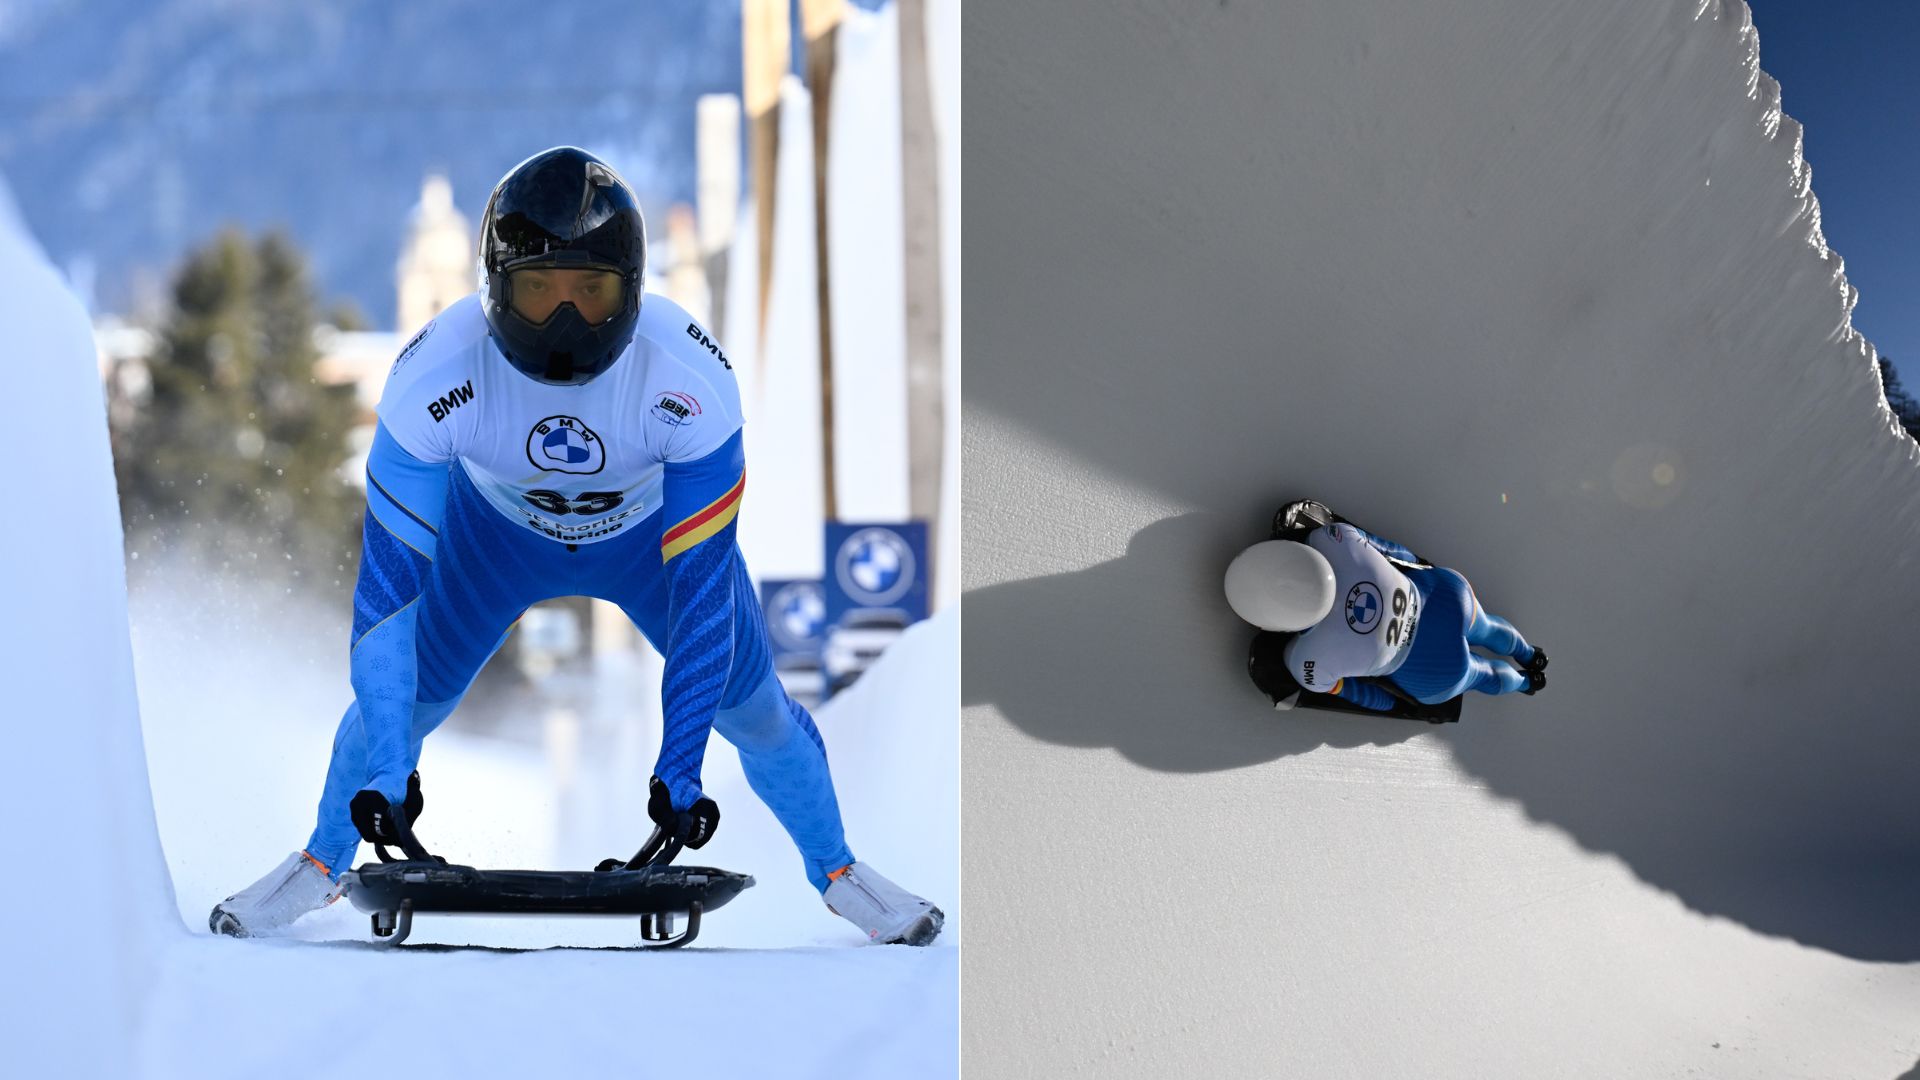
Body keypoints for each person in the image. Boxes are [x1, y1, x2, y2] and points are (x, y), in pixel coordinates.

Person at [210, 147, 942, 946]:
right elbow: (388, 606)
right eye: (537, 292)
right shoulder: (430, 379)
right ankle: (320, 862)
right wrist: (389, 777)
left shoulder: (692, 380)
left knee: (755, 711)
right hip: (491, 540)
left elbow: (700, 599)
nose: (564, 322)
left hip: (648, 544)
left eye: (589, 294)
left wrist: (681, 770)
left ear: (631, 291)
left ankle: (840, 872)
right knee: (410, 703)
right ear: (493, 290)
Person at [1226, 500, 1547, 712]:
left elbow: (1372, 698)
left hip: (1432, 671)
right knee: (1487, 626)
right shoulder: (1334, 538)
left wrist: (1396, 704)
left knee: (1483, 674)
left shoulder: (1306, 664)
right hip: (1443, 598)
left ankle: (1526, 684)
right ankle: (1530, 654)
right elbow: (1401, 556)